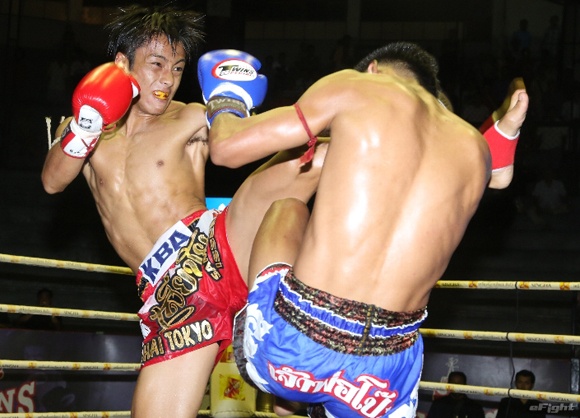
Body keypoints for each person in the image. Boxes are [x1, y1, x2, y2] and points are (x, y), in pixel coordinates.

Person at [200, 41, 528, 417]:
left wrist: (227, 98)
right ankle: (303, 401)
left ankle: (290, 393)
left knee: (286, 208)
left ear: (373, 69)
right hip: (384, 375)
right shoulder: (474, 147)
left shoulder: (357, 86)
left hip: (295, 345)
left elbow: (226, 148)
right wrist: (505, 130)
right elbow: (499, 177)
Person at [41, 4, 324, 418]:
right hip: (169, 299)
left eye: (176, 69)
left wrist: (231, 103)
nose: (167, 80)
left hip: (219, 245)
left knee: (319, 156)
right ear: (122, 64)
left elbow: (253, 138)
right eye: (156, 65)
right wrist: (86, 127)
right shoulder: (87, 127)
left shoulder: (190, 116)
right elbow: (52, 181)